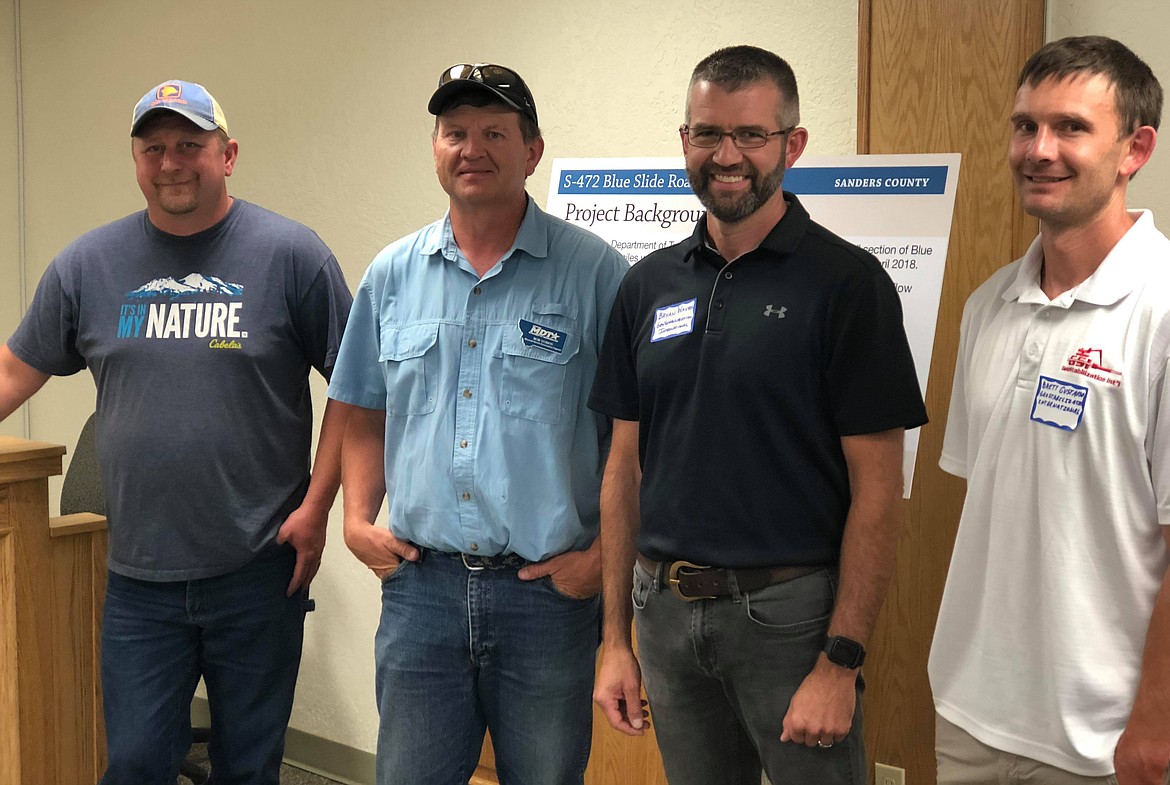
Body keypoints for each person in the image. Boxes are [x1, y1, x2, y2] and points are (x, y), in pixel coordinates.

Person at [588, 45, 927, 785]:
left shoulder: (848, 285)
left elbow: (877, 491)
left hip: (791, 619)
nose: (727, 155)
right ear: (685, 142)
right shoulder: (646, 286)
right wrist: (616, 638)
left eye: (750, 135)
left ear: (792, 145)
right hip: (665, 613)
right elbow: (623, 466)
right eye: (708, 133)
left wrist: (842, 659)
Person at [0, 79, 351, 785]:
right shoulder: (87, 265)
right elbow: (13, 371)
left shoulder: (291, 256)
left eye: (190, 144)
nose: (171, 162)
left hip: (258, 572)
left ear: (228, 155)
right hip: (139, 579)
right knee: (133, 764)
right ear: (135, 160)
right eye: (153, 147)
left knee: (249, 766)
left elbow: (356, 390)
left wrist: (318, 507)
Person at [328, 63, 628, 785]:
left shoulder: (595, 274)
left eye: (494, 132)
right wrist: (356, 517)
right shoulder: (392, 273)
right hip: (419, 589)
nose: (471, 147)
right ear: (435, 147)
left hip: (547, 597)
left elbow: (635, 438)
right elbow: (363, 406)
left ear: (533, 150)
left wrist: (602, 563)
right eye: (454, 132)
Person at [931, 36, 1170, 785]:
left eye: (1070, 127)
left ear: (1136, 149)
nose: (1038, 150)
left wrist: (1155, 723)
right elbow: (999, 505)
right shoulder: (988, 306)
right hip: (971, 714)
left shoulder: (1161, 309)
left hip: (1104, 740)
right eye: (1024, 125)